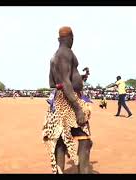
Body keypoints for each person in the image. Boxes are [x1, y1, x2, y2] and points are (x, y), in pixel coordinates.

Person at [42, 26, 92, 174]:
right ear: (71, 38)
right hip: (69, 102)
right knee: (85, 141)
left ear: (59, 39)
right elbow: (65, 82)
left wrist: (79, 78)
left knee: (60, 143)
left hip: (58, 101)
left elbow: (53, 83)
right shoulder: (66, 53)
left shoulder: (54, 57)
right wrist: (78, 109)